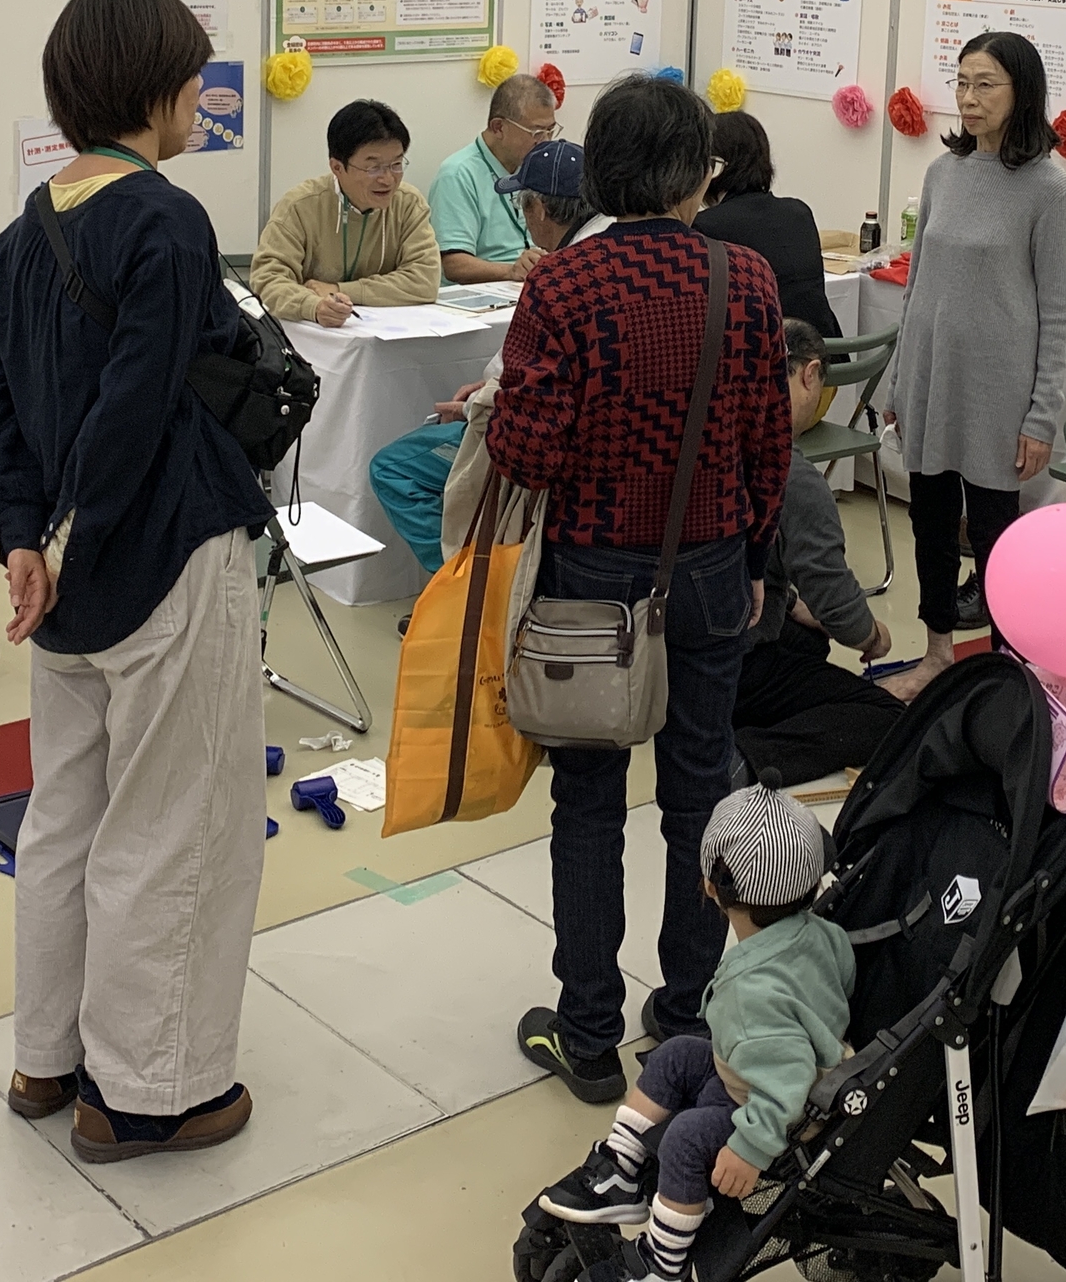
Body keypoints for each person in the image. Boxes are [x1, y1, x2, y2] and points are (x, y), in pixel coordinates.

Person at [0, 0, 276, 1166]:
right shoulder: (165, 221)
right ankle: (149, 1095)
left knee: (66, 816)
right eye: (195, 78)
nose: (203, 97)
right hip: (165, 556)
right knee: (177, 823)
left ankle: (46, 1056)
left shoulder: (17, 240)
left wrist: (27, 540)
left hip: (65, 587)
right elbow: (138, 405)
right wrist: (73, 530)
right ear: (154, 90)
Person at [494, 74, 792, 1103]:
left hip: (588, 579)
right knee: (698, 790)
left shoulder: (562, 287)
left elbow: (527, 452)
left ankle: (585, 1033)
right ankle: (689, 1015)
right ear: (694, 175)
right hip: (710, 566)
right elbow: (770, 442)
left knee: (587, 801)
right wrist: (755, 561)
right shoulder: (745, 278)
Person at [534, 782, 854, 1280]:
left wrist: (751, 1147)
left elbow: (787, 1077)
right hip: (763, 1073)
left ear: (710, 886)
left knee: (684, 1140)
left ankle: (664, 1264)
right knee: (679, 1052)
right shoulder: (825, 934)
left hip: (777, 1110)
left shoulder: (751, 995)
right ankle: (621, 1168)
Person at [881, 31, 1066, 698]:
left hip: (999, 392)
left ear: (1022, 92)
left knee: (995, 535)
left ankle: (1005, 670)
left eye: (985, 84)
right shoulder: (943, 173)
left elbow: (1055, 314)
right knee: (930, 522)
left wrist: (1041, 417)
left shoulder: (1048, 189)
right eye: (962, 82)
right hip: (931, 380)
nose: (968, 98)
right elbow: (917, 289)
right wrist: (898, 381)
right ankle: (937, 653)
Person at [368, 137, 593, 573]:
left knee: (394, 467)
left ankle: (460, 585)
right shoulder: (601, 257)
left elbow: (524, 393)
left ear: (538, 210)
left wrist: (479, 403)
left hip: (529, 444)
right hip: (580, 453)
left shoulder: (554, 280)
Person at [733, 319, 902, 787]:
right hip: (733, 658)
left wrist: (789, 603)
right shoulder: (793, 477)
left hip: (667, 645)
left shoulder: (707, 441)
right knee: (887, 716)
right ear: (810, 374)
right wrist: (872, 636)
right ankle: (744, 758)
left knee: (806, 640)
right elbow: (834, 597)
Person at [248, 98, 441, 325]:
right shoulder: (300, 206)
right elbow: (267, 279)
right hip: (310, 334)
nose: (388, 179)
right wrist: (313, 306)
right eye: (373, 167)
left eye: (396, 165)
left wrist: (340, 289)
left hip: (386, 333)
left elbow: (425, 281)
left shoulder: (408, 204)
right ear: (337, 167)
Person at [695, 109, 836, 339]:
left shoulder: (707, 227)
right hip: (826, 351)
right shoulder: (798, 212)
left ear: (714, 166)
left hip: (769, 354)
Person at [430, 72, 558, 284]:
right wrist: (511, 271)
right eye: (536, 132)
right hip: (486, 290)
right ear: (498, 127)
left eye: (550, 130)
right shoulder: (458, 174)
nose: (545, 142)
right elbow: (453, 264)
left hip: (532, 283)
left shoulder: (537, 164)